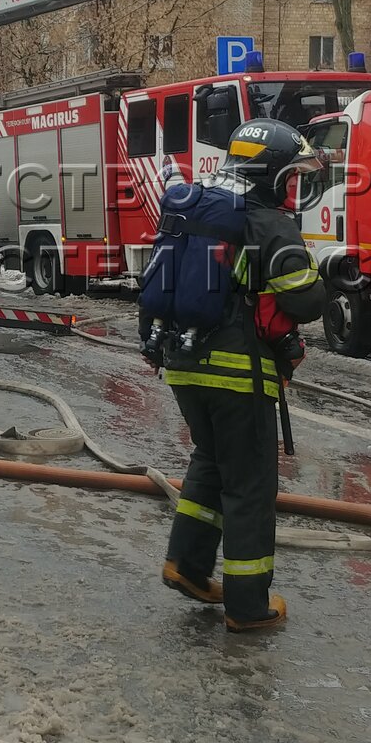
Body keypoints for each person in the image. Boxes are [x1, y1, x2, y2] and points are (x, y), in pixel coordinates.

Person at [146, 119, 325, 632]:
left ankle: (187, 566)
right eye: (290, 176)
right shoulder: (270, 221)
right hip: (237, 374)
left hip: (182, 367)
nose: (293, 186)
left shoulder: (198, 210)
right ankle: (249, 607)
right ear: (269, 174)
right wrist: (328, 279)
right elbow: (303, 299)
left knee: (211, 460)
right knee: (249, 485)